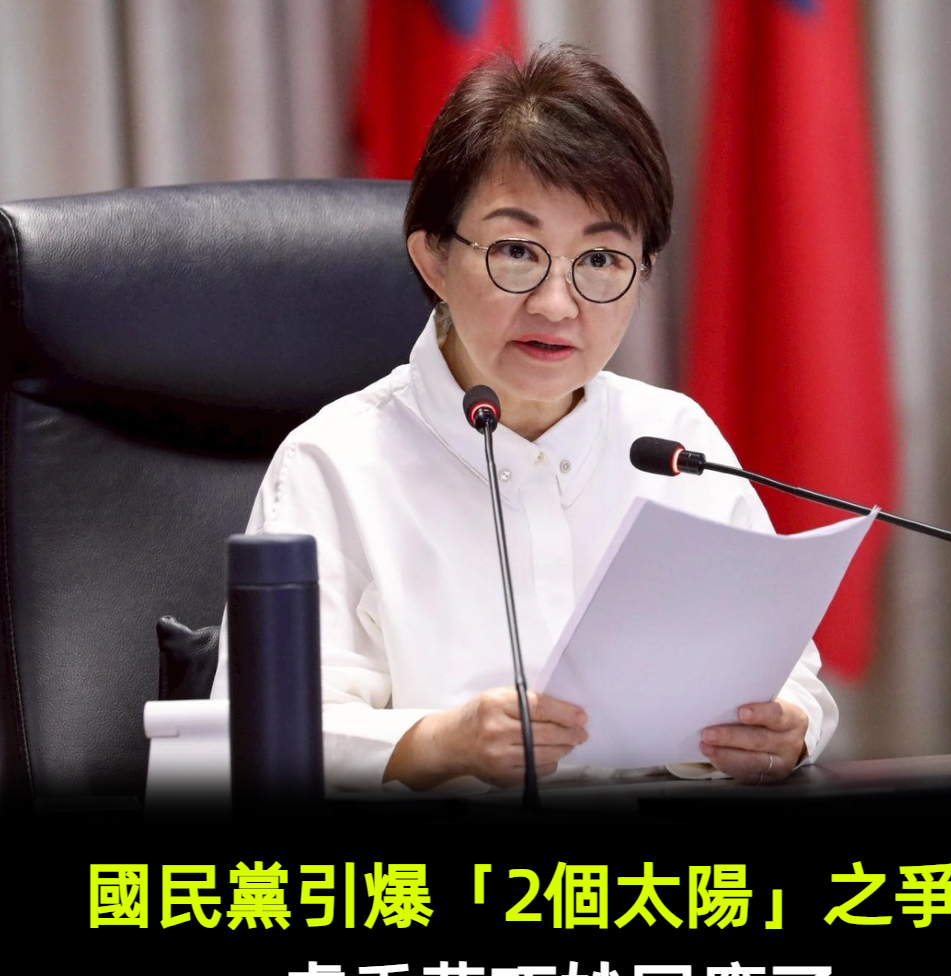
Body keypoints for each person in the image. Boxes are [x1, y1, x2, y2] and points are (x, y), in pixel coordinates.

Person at [210, 44, 837, 792]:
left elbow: (789, 673)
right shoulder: (334, 463)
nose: (556, 303)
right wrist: (436, 742)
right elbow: (258, 736)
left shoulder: (677, 443)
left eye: (600, 260)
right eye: (516, 251)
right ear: (434, 260)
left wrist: (786, 725)